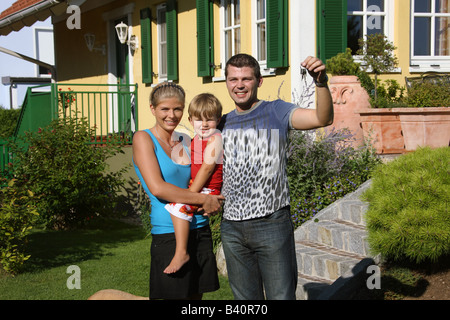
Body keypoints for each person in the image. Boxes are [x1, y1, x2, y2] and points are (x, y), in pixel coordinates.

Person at [219, 53, 334, 300]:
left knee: (281, 297)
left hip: (271, 223)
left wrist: (321, 83)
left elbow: (322, 118)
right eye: (233, 79)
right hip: (231, 227)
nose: (239, 85)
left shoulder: (276, 111)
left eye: (246, 79)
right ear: (226, 82)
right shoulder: (221, 123)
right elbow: (204, 167)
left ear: (259, 81)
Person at [132, 82, 223, 300]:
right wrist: (203, 199)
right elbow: (158, 188)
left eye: (178, 109)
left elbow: (205, 173)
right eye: (165, 109)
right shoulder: (143, 138)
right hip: (168, 233)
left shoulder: (185, 140)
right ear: (152, 109)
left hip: (199, 228)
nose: (172, 115)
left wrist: (212, 200)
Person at [164, 93, 223, 274]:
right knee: (177, 207)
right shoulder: (196, 139)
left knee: (178, 207)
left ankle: (181, 253)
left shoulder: (216, 139)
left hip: (208, 188)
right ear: (190, 120)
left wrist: (191, 193)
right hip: (199, 186)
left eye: (209, 120)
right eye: (198, 119)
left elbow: (206, 168)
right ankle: (183, 245)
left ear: (218, 120)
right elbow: (190, 161)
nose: (204, 124)